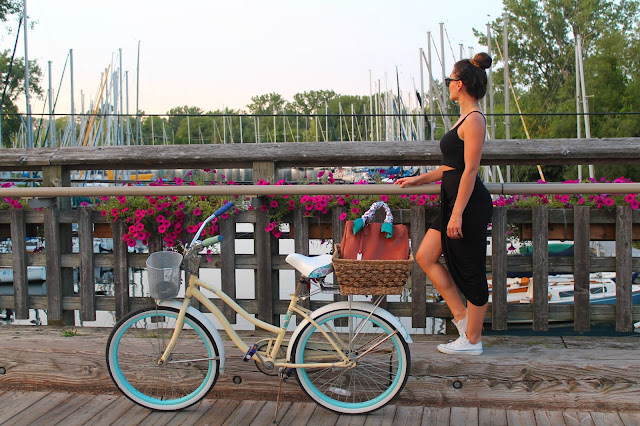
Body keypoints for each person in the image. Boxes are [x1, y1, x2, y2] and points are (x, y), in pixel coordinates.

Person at [395, 52, 493, 355]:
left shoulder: (475, 119)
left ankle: (473, 341)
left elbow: (471, 170)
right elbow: (451, 166)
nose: (448, 84)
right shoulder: (463, 119)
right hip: (452, 202)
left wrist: (458, 214)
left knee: (471, 271)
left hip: (467, 205)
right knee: (425, 255)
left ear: (460, 84)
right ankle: (463, 322)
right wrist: (418, 180)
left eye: (450, 80)